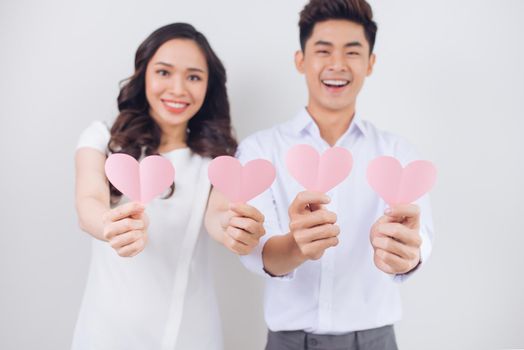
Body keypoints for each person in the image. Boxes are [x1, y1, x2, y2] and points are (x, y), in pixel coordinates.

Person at [218, 0, 435, 349]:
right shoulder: (261, 152)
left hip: (377, 340)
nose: (337, 65)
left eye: (352, 52)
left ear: (370, 64)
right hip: (288, 341)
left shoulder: (398, 154)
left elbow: (420, 239)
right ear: (300, 60)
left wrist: (406, 255)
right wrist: (296, 246)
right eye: (323, 50)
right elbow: (260, 253)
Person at [73, 23, 265, 350]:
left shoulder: (216, 160)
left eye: (193, 77)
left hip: (189, 334)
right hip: (106, 331)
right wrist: (109, 225)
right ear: (143, 74)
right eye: (164, 72)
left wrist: (235, 228)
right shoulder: (101, 139)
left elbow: (217, 215)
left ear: (209, 87)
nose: (178, 89)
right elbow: (89, 200)